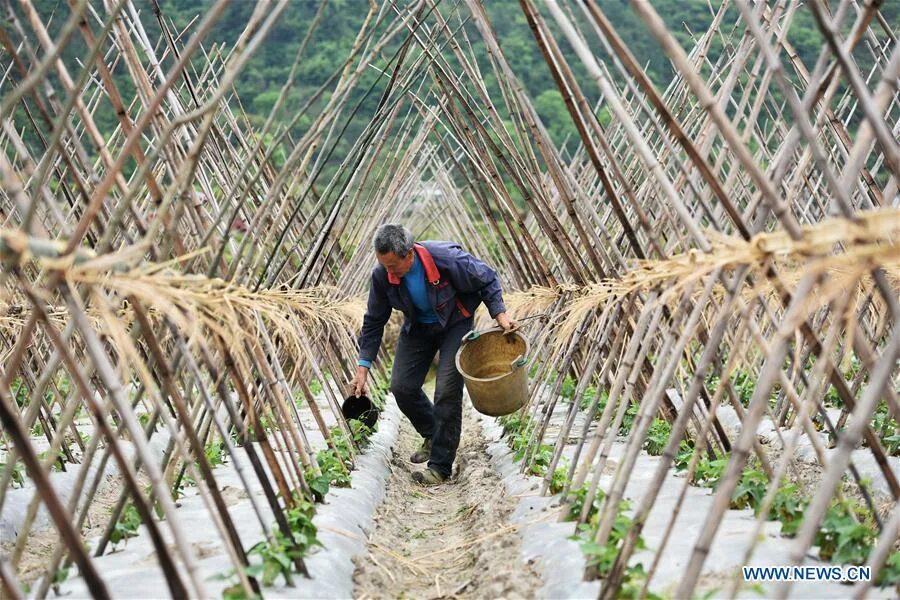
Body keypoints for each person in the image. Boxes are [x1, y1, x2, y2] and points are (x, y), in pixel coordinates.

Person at [350, 224, 516, 485]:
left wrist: (501, 314)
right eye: (384, 266)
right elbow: (373, 321)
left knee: (447, 391)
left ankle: (440, 467)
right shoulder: (382, 275)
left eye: (393, 266)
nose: (389, 272)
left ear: (409, 255)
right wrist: (362, 368)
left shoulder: (447, 259)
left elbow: (487, 277)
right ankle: (432, 433)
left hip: (454, 324)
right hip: (417, 327)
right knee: (401, 387)